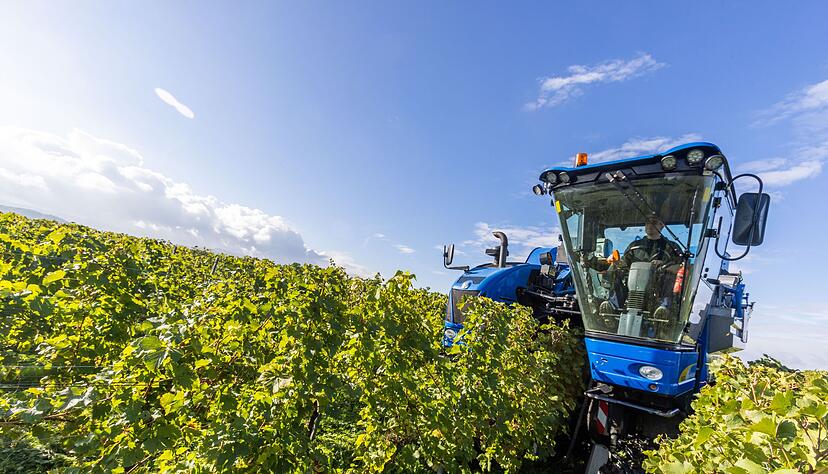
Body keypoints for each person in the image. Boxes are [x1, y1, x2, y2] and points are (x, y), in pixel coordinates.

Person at [586, 214, 684, 321]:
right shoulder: (634, 246)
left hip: (658, 290)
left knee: (669, 277)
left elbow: (681, 268)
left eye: (654, 222)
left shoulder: (671, 247)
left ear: (662, 225)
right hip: (632, 289)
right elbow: (622, 265)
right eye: (647, 222)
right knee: (616, 273)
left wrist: (664, 266)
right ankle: (612, 307)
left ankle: (664, 308)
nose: (650, 225)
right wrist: (616, 263)